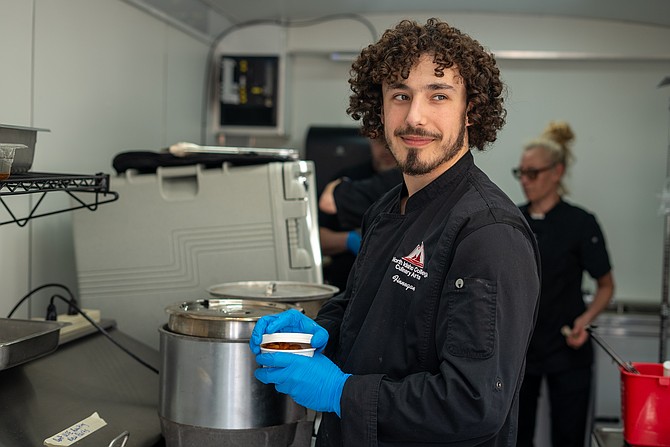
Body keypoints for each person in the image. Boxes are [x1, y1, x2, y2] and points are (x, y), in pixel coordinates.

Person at [249, 18, 541, 446]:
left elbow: (472, 405)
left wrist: (340, 392)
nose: (414, 117)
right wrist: (322, 329)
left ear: (471, 111)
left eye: (438, 95)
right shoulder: (387, 208)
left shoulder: (489, 234)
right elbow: (363, 308)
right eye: (399, 95)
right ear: (380, 109)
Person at [513, 121, 615, 447]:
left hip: (567, 346)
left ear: (556, 172)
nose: (525, 181)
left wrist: (583, 322)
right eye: (521, 173)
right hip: (521, 349)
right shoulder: (511, 220)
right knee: (516, 433)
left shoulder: (580, 223)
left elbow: (606, 286)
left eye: (534, 173)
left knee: (568, 434)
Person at [318, 137, 402, 289]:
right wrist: (349, 240)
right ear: (369, 140)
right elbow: (315, 237)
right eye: (379, 141)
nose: (385, 149)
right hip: (344, 283)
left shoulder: (410, 184)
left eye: (390, 141)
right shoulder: (348, 177)